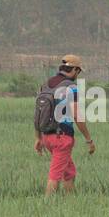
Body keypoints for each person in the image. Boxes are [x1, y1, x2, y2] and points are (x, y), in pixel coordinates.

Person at [34, 54, 95, 194]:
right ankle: (45, 208)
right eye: (78, 72)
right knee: (54, 176)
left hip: (46, 136)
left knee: (69, 173)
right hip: (61, 138)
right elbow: (76, 115)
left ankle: (72, 205)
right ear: (75, 70)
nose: (78, 75)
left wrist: (38, 138)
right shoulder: (71, 87)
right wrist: (89, 140)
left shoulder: (46, 84)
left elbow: (38, 112)